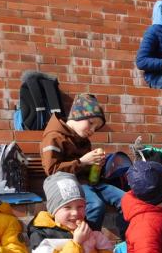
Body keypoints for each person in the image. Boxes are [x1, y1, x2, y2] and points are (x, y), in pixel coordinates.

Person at [40, 93, 125, 232]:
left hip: (90, 184)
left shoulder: (83, 140)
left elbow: (91, 176)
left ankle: (129, 237)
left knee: (127, 200)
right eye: (91, 123)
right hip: (70, 185)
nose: (92, 130)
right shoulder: (54, 137)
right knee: (96, 205)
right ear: (77, 116)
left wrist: (97, 166)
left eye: (95, 128)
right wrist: (82, 161)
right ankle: (87, 239)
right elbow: (52, 171)